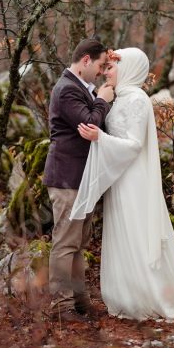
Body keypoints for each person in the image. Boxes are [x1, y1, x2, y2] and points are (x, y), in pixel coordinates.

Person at [70, 47, 174, 321]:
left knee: (135, 229)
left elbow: (134, 144)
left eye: (112, 67)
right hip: (120, 177)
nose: (106, 71)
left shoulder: (137, 100)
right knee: (122, 230)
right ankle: (127, 293)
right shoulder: (119, 98)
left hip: (133, 178)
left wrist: (101, 139)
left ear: (129, 68)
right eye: (106, 67)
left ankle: (148, 293)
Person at [43, 38, 116, 322]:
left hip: (81, 179)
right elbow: (90, 123)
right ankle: (61, 309)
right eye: (99, 65)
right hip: (67, 179)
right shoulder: (66, 90)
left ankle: (80, 302)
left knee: (78, 243)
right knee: (65, 243)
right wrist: (103, 100)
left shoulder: (81, 87)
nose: (100, 71)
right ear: (85, 60)